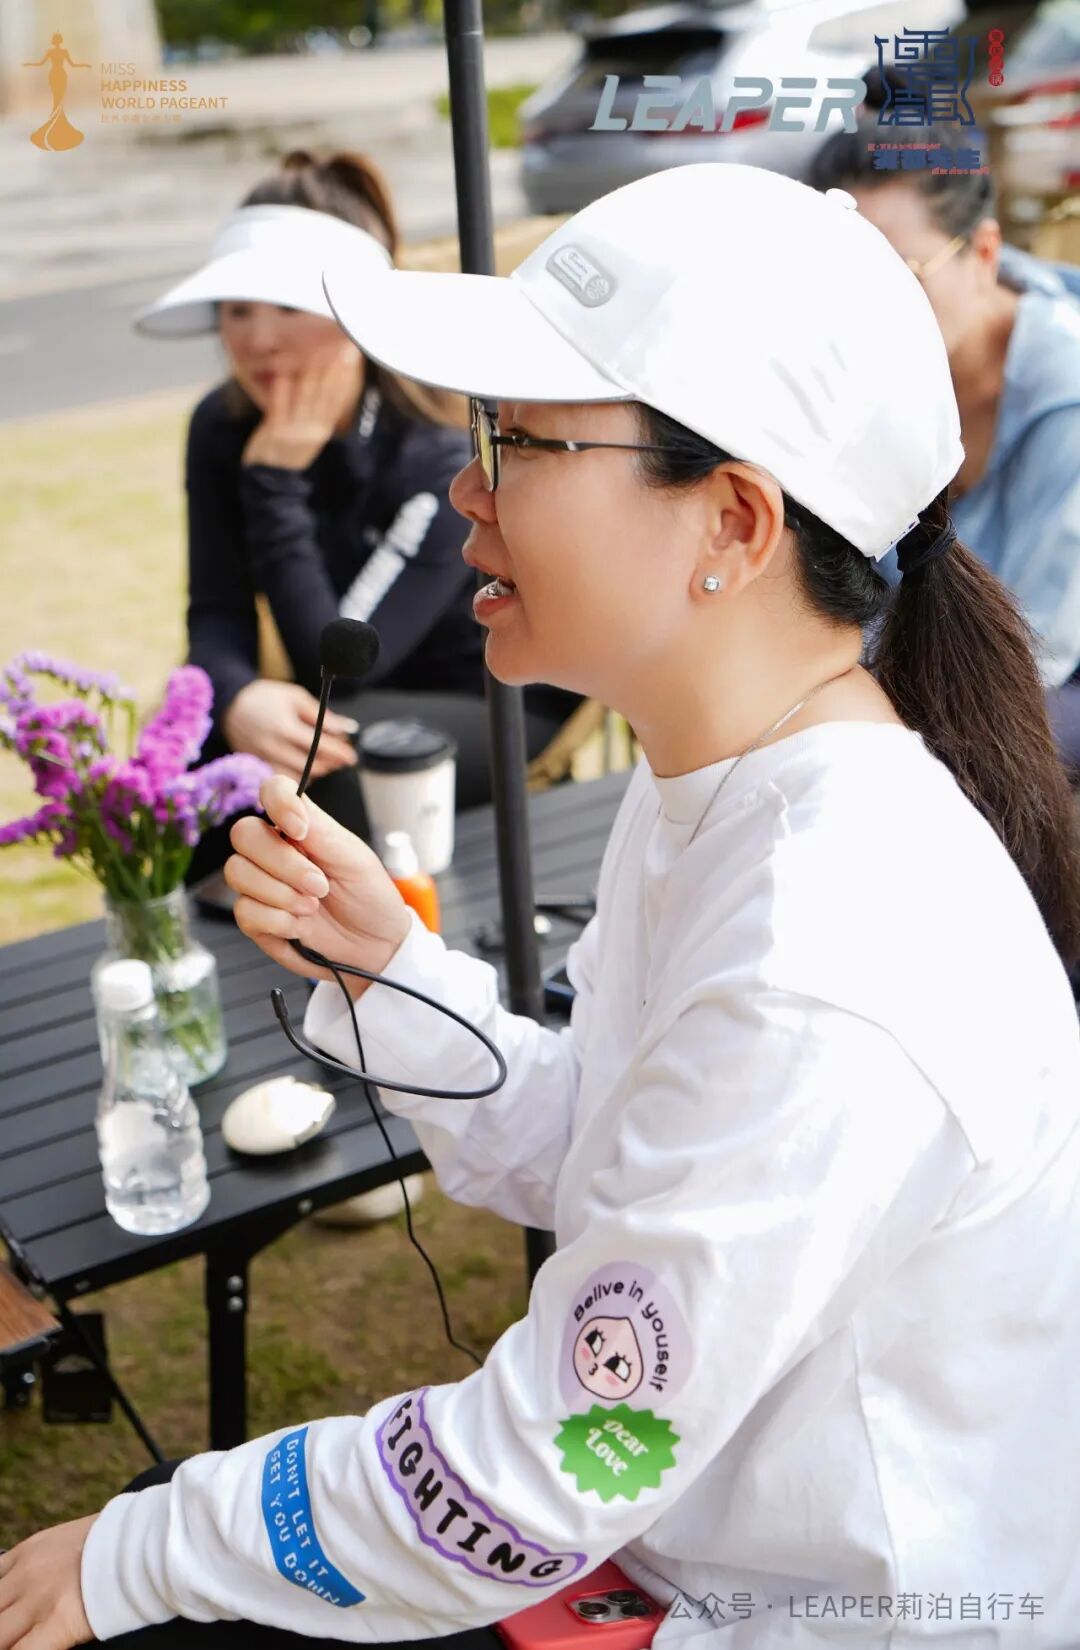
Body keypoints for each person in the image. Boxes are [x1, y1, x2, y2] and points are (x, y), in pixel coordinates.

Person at [6, 163, 1080, 1649]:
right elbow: (615, 1144)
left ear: (733, 524)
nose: (466, 486)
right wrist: (393, 973)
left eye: (516, 438)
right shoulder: (716, 777)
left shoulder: (829, 946)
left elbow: (541, 1472)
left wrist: (144, 1550)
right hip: (681, 1555)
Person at [133, 149, 581, 878]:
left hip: (488, 696)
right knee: (171, 771)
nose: (258, 339)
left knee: (313, 784)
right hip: (338, 695)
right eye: (237, 309)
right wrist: (238, 697)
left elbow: (344, 659)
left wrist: (275, 481)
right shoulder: (220, 425)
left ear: (353, 318)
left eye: (288, 306)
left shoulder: (433, 449)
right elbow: (213, 611)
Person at [809, 126, 1080, 711]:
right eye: (844, 282)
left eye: (902, 276)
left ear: (984, 253)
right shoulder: (851, 368)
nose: (866, 314)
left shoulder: (1068, 403)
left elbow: (1036, 658)